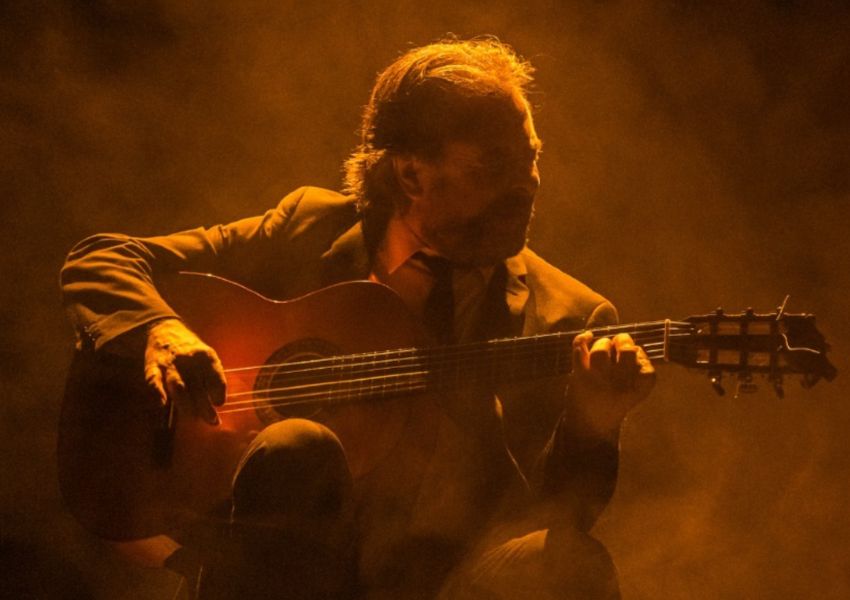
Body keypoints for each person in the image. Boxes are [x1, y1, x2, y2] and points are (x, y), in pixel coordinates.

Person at [61, 38, 655, 599]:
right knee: (298, 441)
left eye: (531, 160)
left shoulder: (569, 317)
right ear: (410, 175)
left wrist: (592, 425)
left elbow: (562, 517)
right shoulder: (310, 228)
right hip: (278, 577)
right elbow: (105, 259)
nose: (526, 184)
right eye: (492, 168)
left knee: (573, 559)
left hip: (443, 582)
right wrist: (159, 331)